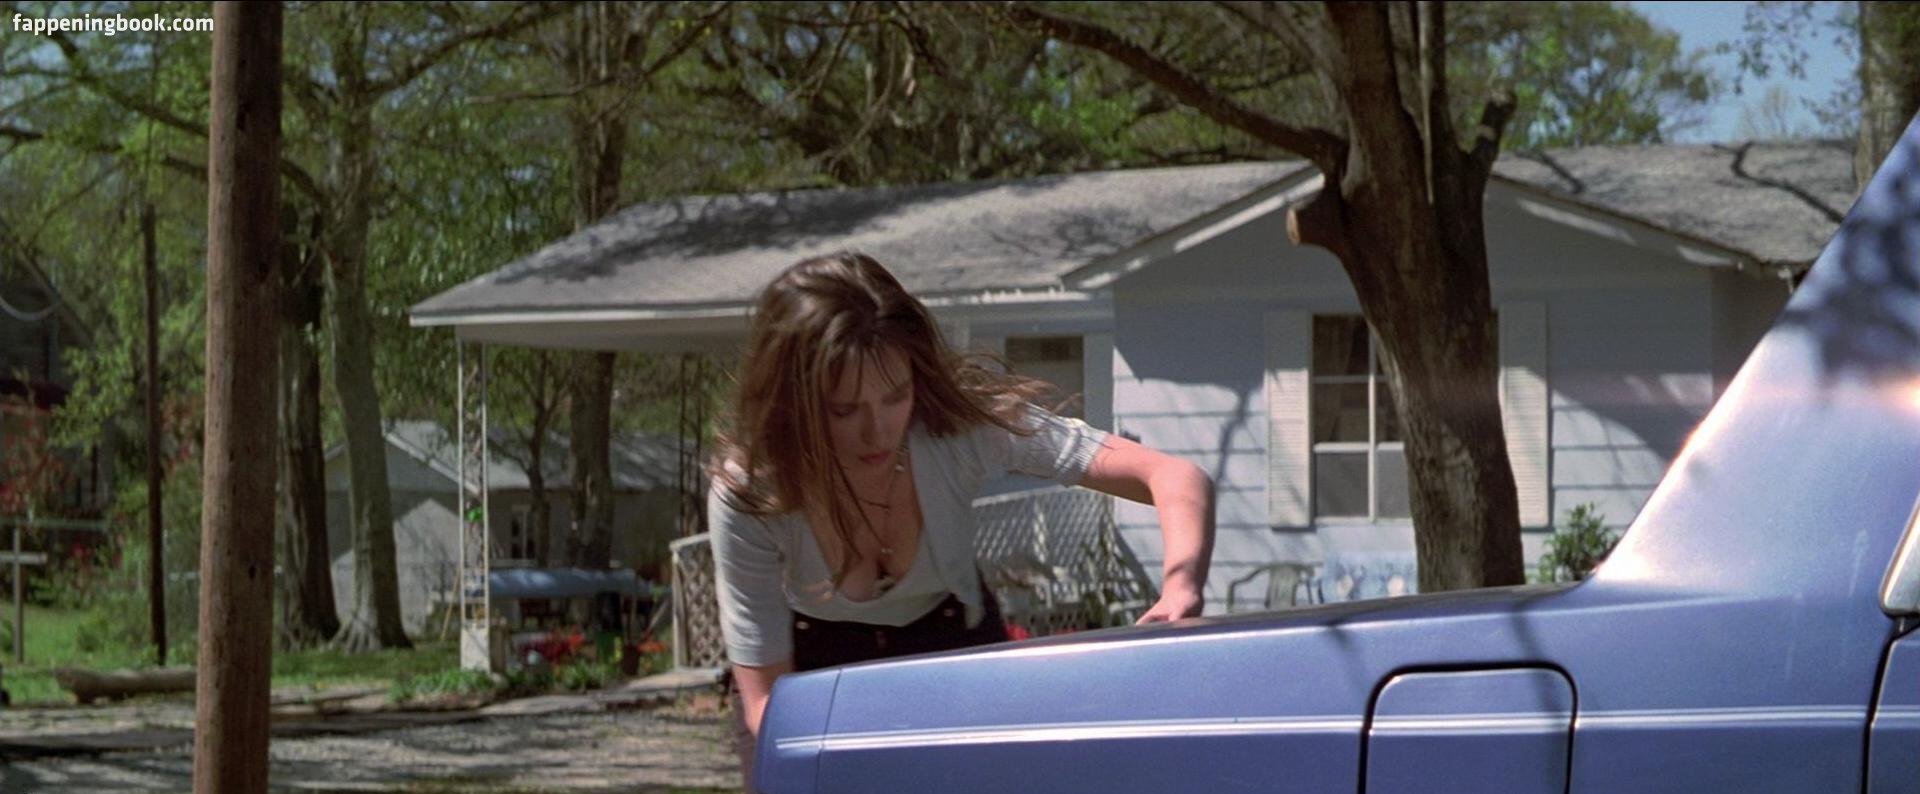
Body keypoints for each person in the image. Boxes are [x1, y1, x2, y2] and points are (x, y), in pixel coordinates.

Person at [709, 252, 1216, 769]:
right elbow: (766, 706)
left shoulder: (961, 428)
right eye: (844, 409)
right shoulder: (753, 490)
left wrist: (1181, 587)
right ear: (794, 402)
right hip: (811, 681)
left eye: (896, 396)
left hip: (950, 648)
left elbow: (1174, 476)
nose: (878, 430)